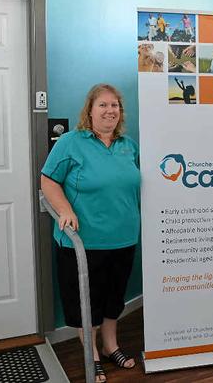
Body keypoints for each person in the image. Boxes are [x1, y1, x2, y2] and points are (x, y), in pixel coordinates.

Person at [41, 84, 140, 382]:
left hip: (124, 238)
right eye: (103, 105)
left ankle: (111, 346)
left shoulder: (127, 144)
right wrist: (65, 210)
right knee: (88, 302)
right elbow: (48, 180)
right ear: (90, 110)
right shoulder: (72, 142)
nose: (110, 110)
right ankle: (91, 355)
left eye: (115, 106)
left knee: (113, 300)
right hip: (84, 242)